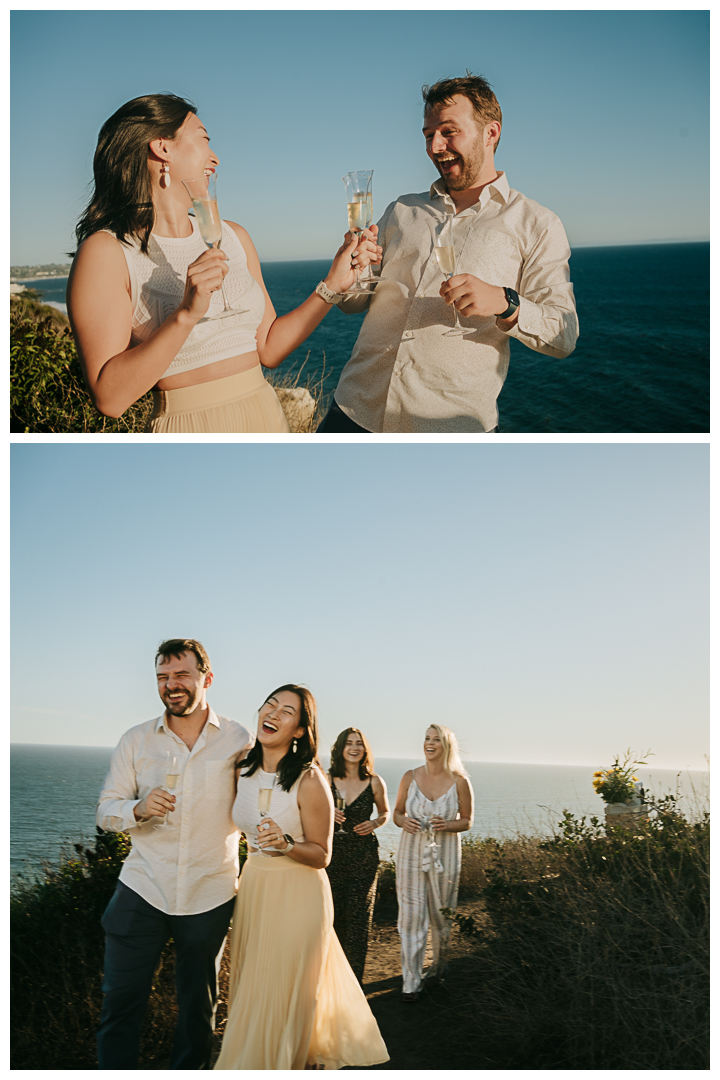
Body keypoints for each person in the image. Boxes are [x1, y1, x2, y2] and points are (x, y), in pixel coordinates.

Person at [67, 93, 375, 432]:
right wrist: (186, 313)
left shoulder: (234, 236)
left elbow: (269, 349)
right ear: (162, 147)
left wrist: (331, 285)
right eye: (203, 139)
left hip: (266, 417)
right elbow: (110, 399)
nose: (215, 157)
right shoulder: (106, 251)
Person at [317, 73, 579, 433]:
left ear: (491, 133)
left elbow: (564, 335)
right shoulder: (401, 210)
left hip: (449, 431)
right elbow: (353, 303)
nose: (435, 147)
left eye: (448, 131)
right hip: (352, 412)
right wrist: (351, 275)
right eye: (428, 135)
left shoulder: (537, 224)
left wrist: (506, 302)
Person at [96, 638, 253, 1069]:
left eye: (182, 675)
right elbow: (105, 810)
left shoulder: (240, 739)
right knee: (119, 1005)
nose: (172, 685)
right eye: (163, 678)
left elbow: (267, 794)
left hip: (210, 892)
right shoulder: (135, 740)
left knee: (198, 1013)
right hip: (142, 887)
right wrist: (137, 808)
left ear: (207, 677)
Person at [214, 686, 389, 1070]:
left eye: (287, 711)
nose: (273, 713)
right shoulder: (241, 767)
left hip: (299, 892)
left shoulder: (310, 780)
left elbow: (322, 855)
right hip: (256, 886)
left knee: (285, 990)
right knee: (254, 987)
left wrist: (288, 843)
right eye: (270, 704)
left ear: (298, 730)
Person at [393, 724, 474, 1001]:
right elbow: (397, 813)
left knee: (442, 915)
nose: (429, 743)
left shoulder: (460, 781)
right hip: (410, 854)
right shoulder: (409, 776)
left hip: (446, 855)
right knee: (411, 916)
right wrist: (403, 821)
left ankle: (439, 966)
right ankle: (410, 982)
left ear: (446, 745)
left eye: (436, 739)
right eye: (426, 739)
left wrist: (448, 824)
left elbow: (467, 821)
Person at [326, 728, 390, 982]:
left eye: (359, 744)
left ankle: (353, 985)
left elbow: (385, 813)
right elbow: (308, 808)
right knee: (330, 918)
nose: (354, 748)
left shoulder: (375, 781)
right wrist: (329, 812)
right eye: (349, 743)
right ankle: (330, 982)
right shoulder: (325, 778)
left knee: (357, 921)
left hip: (364, 858)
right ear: (340, 749)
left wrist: (374, 824)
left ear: (365, 750)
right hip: (331, 856)